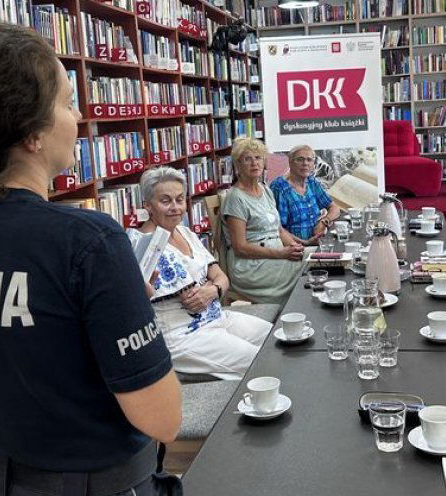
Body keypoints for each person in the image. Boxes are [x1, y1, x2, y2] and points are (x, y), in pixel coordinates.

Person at [0, 21, 182, 495]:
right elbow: (163, 418)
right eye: (68, 103)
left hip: (4, 478)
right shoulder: (87, 241)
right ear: (32, 132)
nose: (78, 118)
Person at [128, 167, 271, 380]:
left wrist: (212, 290)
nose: (175, 207)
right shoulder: (140, 245)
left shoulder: (185, 232)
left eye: (179, 200)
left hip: (217, 317)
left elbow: (221, 276)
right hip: (182, 335)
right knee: (263, 363)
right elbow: (136, 302)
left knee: (276, 338)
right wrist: (211, 287)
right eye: (165, 201)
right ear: (147, 205)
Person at [221, 138, 305, 303]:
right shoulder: (235, 198)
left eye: (258, 158)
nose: (254, 163)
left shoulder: (265, 190)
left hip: (275, 255)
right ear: (238, 165)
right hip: (251, 266)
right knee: (310, 268)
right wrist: (280, 254)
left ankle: (298, 312)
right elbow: (240, 247)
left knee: (317, 258)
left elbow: (278, 230)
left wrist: (295, 247)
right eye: (247, 159)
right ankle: (292, 314)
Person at [270, 144, 341, 243]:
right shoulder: (280, 187)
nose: (305, 163)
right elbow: (277, 229)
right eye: (300, 159)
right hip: (294, 248)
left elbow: (335, 208)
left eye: (309, 160)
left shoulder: (312, 182)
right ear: (290, 162)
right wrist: (305, 243)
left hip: (316, 244)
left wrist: (324, 222)